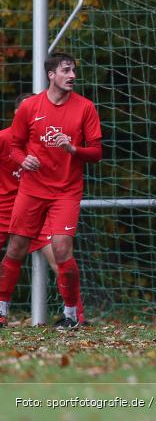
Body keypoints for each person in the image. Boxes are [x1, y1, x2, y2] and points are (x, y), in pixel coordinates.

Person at [0, 53, 102, 329]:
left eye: (74, 71)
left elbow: (96, 152)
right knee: (16, 249)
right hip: (29, 194)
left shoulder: (85, 108)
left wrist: (73, 148)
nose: (72, 76)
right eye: (66, 70)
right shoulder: (29, 108)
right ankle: (2, 311)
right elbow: (14, 145)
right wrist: (23, 160)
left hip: (65, 193)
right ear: (51, 74)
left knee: (61, 251)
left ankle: (72, 315)